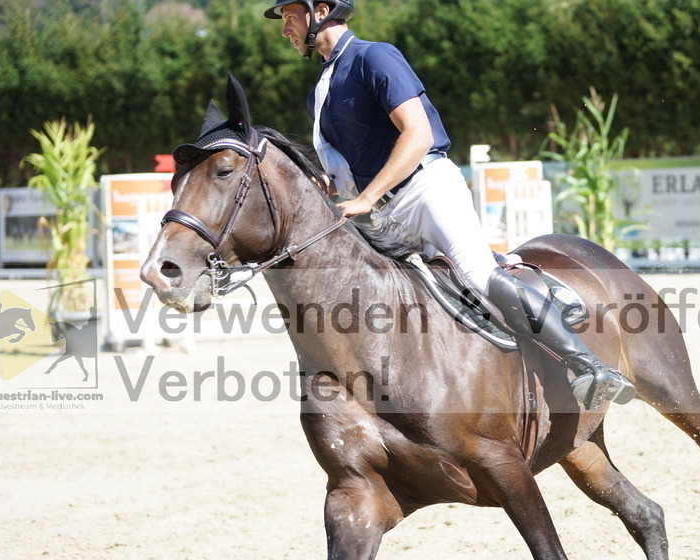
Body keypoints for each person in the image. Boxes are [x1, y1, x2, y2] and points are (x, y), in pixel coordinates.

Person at [263, 0, 635, 410]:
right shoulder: (319, 92)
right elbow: (347, 167)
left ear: (320, 10)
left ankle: (588, 365)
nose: (285, 30)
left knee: (477, 276)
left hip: (427, 189)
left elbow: (418, 134)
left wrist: (365, 198)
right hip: (386, 214)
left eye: (290, 17)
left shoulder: (375, 57)